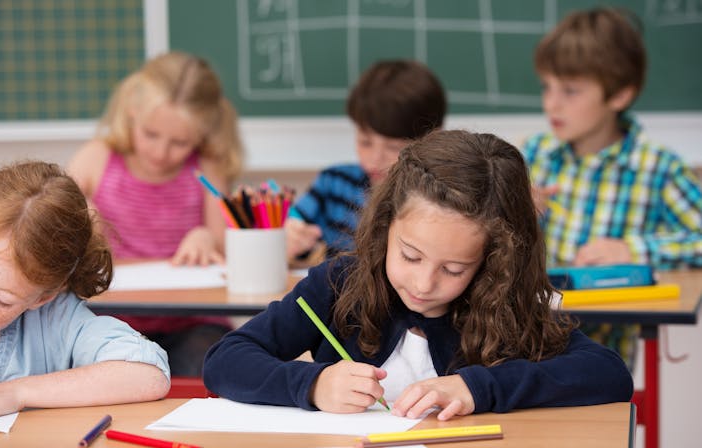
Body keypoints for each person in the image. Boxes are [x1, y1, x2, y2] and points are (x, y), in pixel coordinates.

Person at [203, 130, 633, 419]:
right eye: (410, 256)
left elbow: (608, 374)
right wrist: (313, 384)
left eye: (454, 269)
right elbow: (225, 360)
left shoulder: (505, 301)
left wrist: (478, 388)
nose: (425, 284)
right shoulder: (339, 283)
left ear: (493, 261)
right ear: (386, 227)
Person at [521, 7, 702, 365]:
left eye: (570, 91)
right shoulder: (535, 154)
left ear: (619, 95)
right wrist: (515, 211)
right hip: (528, 340)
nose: (551, 103)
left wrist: (632, 250)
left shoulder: (657, 168)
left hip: (602, 352)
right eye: (547, 87)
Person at [0, 161, 170, 424]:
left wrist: (14, 393)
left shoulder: (56, 317)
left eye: (2, 299)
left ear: (43, 297)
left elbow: (148, 374)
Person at [68, 51, 244, 376]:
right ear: (132, 112)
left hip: (194, 323)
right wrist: (79, 224)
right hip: (110, 320)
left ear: (202, 135)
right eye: (151, 135)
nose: (161, 153)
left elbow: (224, 248)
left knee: (213, 367)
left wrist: (207, 237)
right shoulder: (97, 159)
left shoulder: (206, 169)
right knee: (104, 372)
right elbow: (51, 225)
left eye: (179, 142)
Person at [285, 59, 447, 264]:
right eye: (365, 142)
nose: (375, 159)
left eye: (393, 147)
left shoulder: (440, 198)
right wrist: (294, 238)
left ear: (433, 138)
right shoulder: (334, 183)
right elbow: (297, 236)